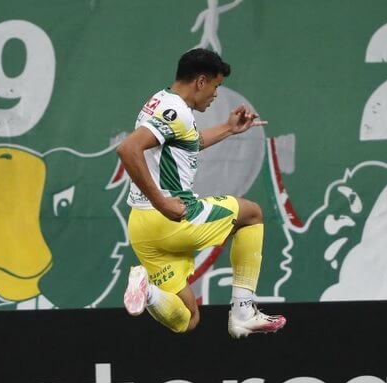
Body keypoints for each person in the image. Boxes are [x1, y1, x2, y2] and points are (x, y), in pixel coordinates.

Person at [118, 48, 286, 338]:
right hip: (172, 219)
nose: (216, 94)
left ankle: (149, 294)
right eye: (216, 86)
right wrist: (161, 203)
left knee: (188, 318)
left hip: (143, 228)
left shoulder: (161, 101)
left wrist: (229, 129)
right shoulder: (177, 111)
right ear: (201, 81)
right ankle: (244, 311)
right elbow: (128, 148)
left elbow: (186, 142)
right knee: (252, 214)